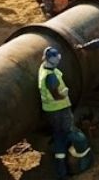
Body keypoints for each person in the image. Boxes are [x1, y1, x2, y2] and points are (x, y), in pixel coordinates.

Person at [39, 47, 74, 180]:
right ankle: (63, 171)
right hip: (59, 110)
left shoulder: (43, 68)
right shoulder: (51, 76)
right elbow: (56, 95)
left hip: (50, 110)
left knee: (58, 135)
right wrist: (63, 94)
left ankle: (62, 166)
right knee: (64, 136)